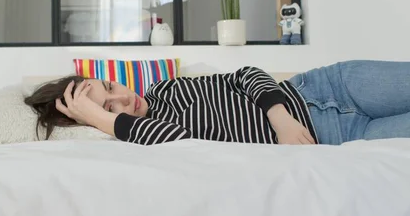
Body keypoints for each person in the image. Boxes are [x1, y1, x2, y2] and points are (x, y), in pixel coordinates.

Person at [24, 60, 410, 146]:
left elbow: (244, 75)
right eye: (109, 108)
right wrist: (96, 118)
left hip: (327, 86)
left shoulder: (167, 87)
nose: (124, 96)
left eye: (109, 85)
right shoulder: (149, 143)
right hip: (340, 134)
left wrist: (281, 119)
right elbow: (174, 140)